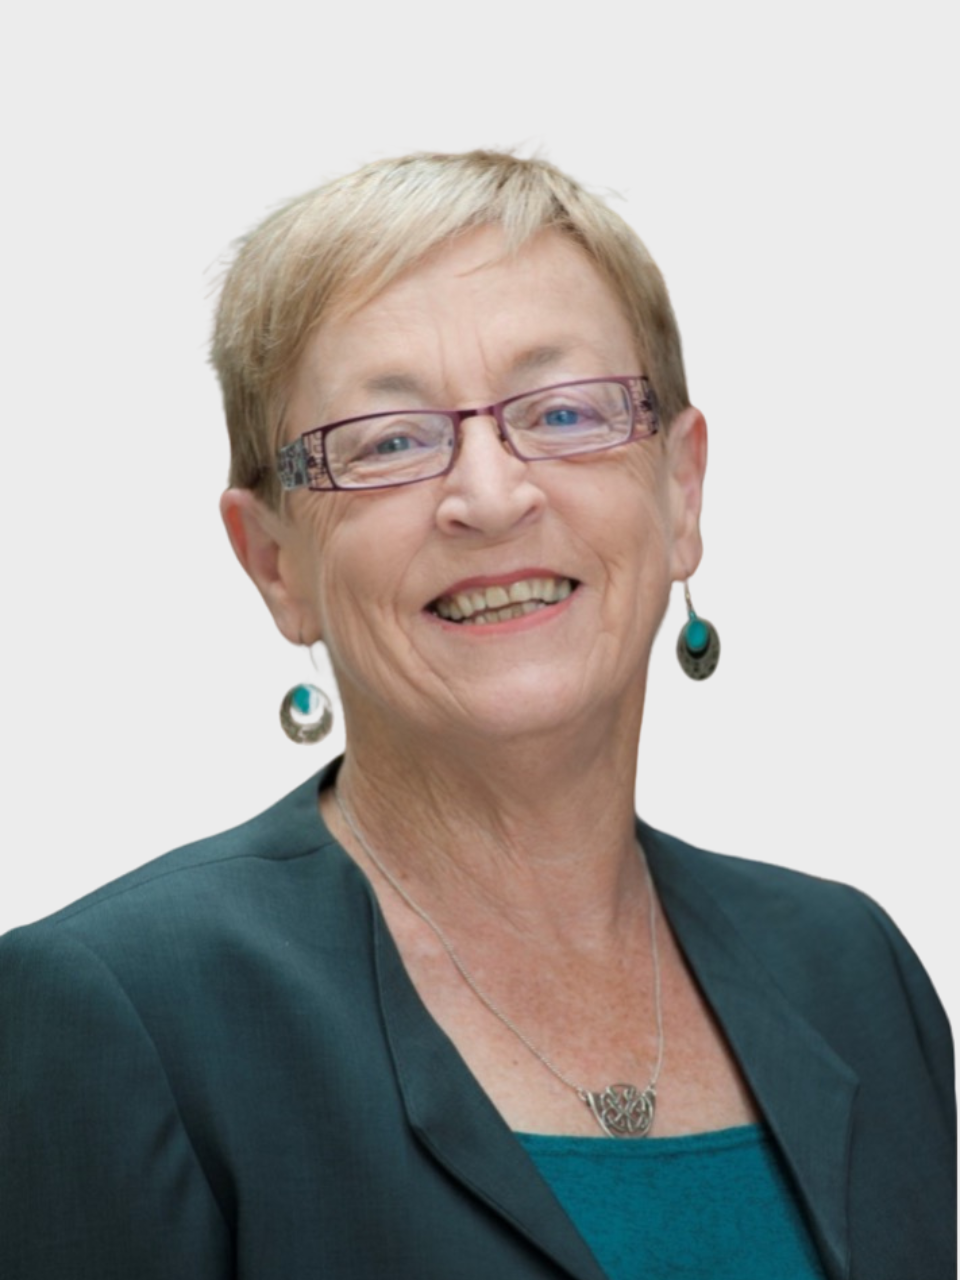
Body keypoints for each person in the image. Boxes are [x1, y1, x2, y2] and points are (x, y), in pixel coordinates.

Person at [0, 151, 953, 1280]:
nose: (492, 497)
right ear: (273, 563)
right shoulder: (117, 1012)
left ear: (682, 490)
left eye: (564, 411)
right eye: (390, 441)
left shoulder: (854, 971)